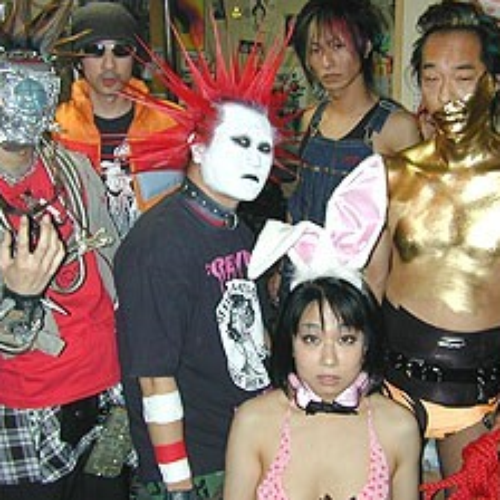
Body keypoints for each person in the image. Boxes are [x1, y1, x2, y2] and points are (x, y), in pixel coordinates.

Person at [114, 27, 290, 500]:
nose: (256, 160)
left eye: (264, 148)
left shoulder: (239, 229)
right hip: (196, 465)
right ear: (197, 146)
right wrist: (179, 488)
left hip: (246, 445)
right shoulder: (159, 245)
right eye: (240, 142)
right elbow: (155, 379)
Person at [224, 156, 420, 500]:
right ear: (290, 341)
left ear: (367, 344)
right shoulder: (253, 422)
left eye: (346, 339)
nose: (329, 360)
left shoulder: (398, 427)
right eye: (312, 338)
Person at [0, 2, 130, 499]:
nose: (28, 99)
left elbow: (113, 264)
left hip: (104, 390)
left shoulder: (73, 171)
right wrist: (20, 296)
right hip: (26, 404)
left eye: (39, 85)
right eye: (14, 85)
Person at [369, 0, 500, 479]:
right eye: (431, 78)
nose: (446, 95)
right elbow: (372, 279)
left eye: (463, 77)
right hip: (391, 382)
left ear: (493, 82)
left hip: (478, 393)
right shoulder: (393, 173)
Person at [54, 2, 183, 239]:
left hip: (158, 254)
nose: (109, 65)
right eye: (95, 50)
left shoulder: (174, 124)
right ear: (78, 60)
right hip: (86, 257)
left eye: (121, 50)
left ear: (135, 57)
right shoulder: (56, 129)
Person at [288, 0, 421, 227]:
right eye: (316, 50)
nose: (327, 62)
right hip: (302, 248)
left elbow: (410, 218)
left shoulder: (397, 126)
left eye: (337, 46)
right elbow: (297, 203)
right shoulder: (310, 119)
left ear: (366, 46)